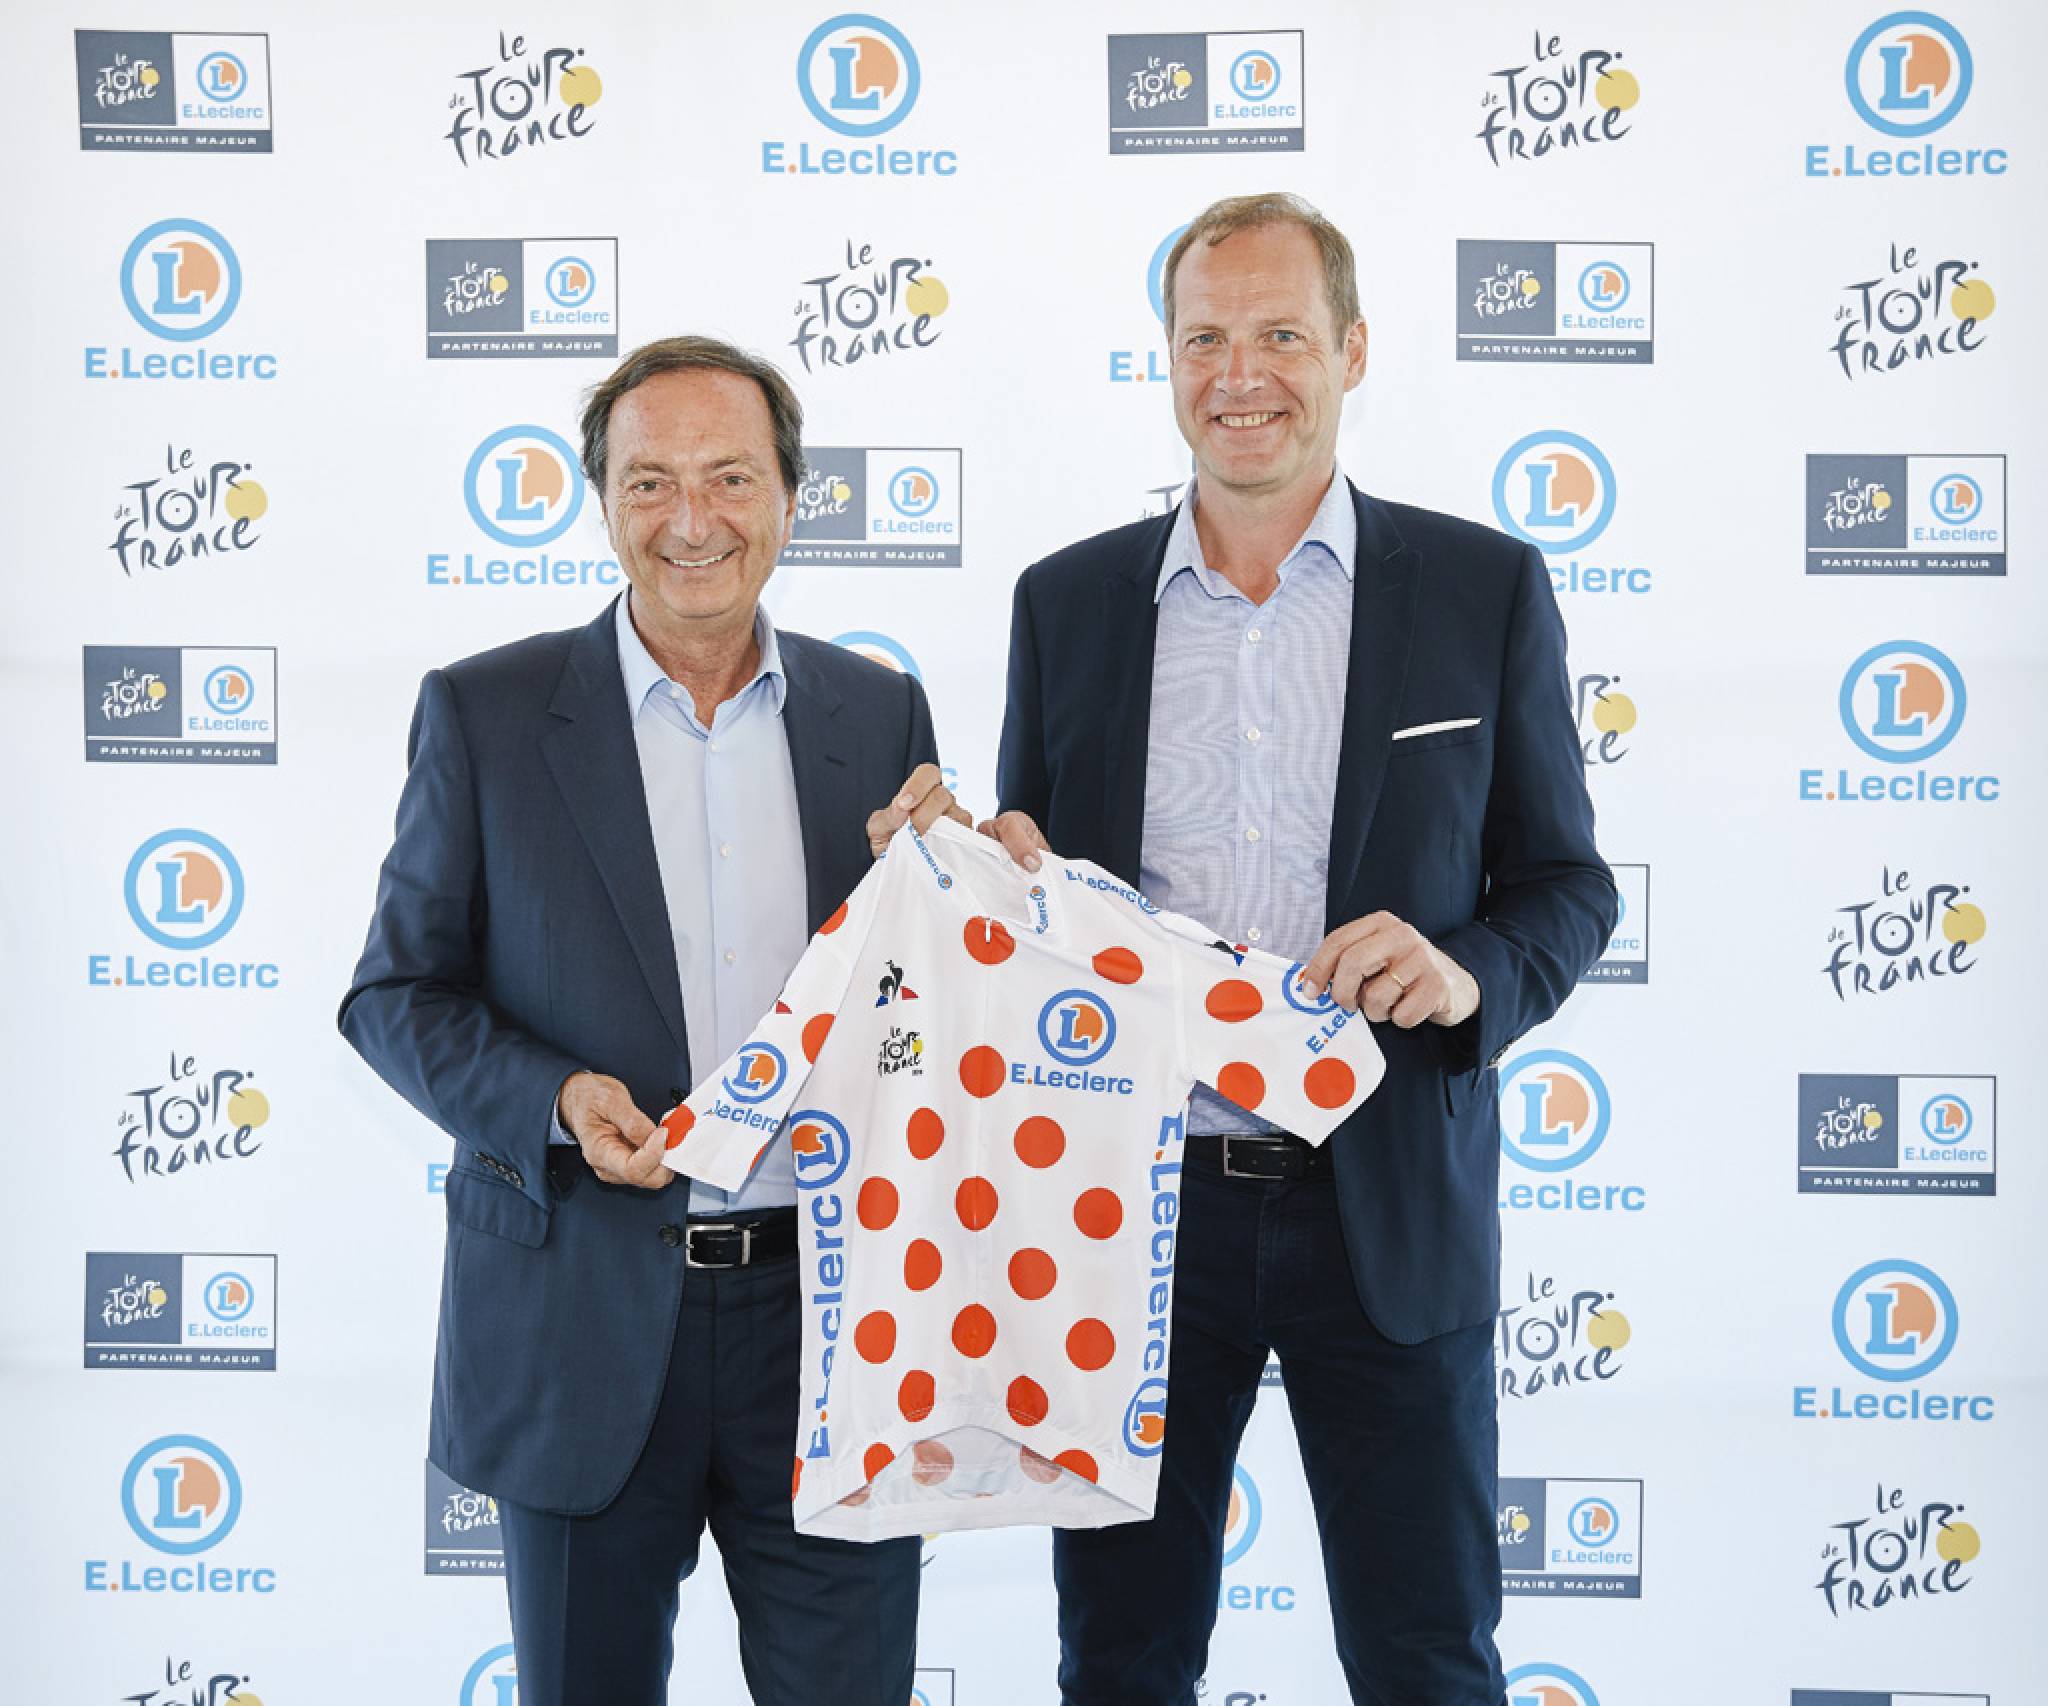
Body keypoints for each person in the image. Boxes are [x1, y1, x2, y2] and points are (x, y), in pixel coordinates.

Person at [984, 194, 1616, 1705]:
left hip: (1385, 1206)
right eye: (1204, 336)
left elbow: (1567, 886)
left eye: (1280, 333)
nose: (1240, 373)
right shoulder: (1065, 604)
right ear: (1166, 358)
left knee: (1427, 1659)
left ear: (1353, 350)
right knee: (1119, 1662)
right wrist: (982, 889)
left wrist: (1466, 974)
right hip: (1128, 1216)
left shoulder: (1482, 588)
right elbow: (1027, 908)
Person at [339, 336, 962, 1706]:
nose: (692, 519)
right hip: (582, 1321)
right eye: (650, 481)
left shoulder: (879, 712)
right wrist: (555, 1102)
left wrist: (981, 885)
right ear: (603, 501)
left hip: (834, 1328)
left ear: (790, 496)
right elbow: (393, 996)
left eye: (731, 477)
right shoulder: (486, 713)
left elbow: (928, 1006)